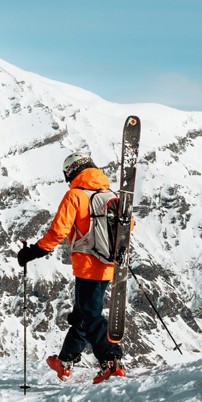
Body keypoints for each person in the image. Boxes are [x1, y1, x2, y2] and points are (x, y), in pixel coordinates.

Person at [17, 147, 125, 384]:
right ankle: (65, 361)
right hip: (108, 265)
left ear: (71, 172)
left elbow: (58, 231)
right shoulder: (112, 195)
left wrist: (33, 251)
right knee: (82, 314)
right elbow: (128, 228)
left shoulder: (75, 196)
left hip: (87, 266)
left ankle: (111, 362)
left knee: (91, 316)